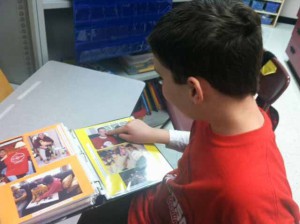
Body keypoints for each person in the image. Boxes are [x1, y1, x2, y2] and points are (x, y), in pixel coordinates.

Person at [78, 0, 300, 223]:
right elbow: (203, 143)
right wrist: (156, 135)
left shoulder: (251, 201)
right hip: (155, 202)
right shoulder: (225, 111)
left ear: (195, 90)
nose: (161, 86)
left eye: (161, 77)